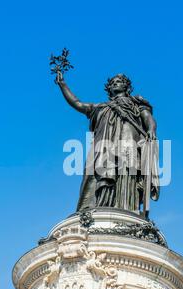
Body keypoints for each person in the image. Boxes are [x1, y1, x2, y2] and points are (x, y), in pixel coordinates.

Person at [56, 72, 159, 214]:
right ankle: (95, 206)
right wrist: (62, 85)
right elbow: (77, 104)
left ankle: (126, 208)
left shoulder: (135, 103)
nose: (115, 83)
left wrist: (151, 130)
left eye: (119, 81)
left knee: (127, 171)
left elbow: (148, 118)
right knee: (95, 172)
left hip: (128, 141)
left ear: (127, 87)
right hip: (103, 146)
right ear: (109, 88)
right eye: (113, 83)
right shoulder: (101, 107)